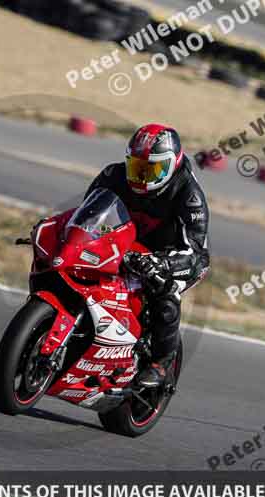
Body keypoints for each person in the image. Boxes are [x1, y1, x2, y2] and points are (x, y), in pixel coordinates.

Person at [84, 124, 210, 387]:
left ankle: (161, 363)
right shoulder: (112, 175)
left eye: (151, 170)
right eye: (137, 168)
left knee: (164, 290)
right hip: (128, 242)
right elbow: (87, 215)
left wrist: (162, 262)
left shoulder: (189, 194)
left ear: (171, 165)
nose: (141, 178)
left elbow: (195, 251)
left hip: (177, 255)